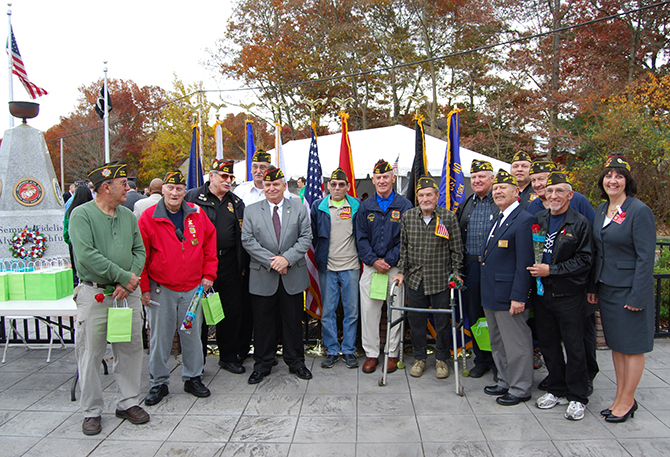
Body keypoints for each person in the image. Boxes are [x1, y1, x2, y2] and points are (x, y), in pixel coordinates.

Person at [68, 162, 149, 435]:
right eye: (123, 183)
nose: (128, 188)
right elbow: (86, 255)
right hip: (96, 294)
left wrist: (129, 280)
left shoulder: (128, 215)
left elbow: (139, 250)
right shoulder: (81, 215)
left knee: (129, 349)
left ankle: (127, 402)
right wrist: (121, 276)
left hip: (127, 294)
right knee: (90, 353)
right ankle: (91, 410)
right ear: (106, 187)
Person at [138, 171, 218, 406]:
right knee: (160, 337)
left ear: (185, 191)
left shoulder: (197, 213)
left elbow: (209, 244)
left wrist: (208, 274)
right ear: (162, 189)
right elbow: (141, 253)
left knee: (192, 335)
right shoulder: (148, 217)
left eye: (179, 189)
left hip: (192, 287)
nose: (175, 193)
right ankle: (159, 382)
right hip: (162, 288)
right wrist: (144, 287)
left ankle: (193, 377)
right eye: (170, 188)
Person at [587, 154, 655, 423]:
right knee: (617, 346)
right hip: (607, 288)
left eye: (619, 176)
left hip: (630, 290)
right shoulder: (602, 210)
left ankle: (628, 401)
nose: (612, 180)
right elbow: (597, 252)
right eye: (608, 175)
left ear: (627, 181)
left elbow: (645, 257)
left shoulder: (639, 211)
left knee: (632, 347)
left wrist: (638, 294)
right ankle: (620, 396)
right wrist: (593, 284)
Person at [527, 160, 599, 394]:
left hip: (568, 294)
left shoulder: (580, 223)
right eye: (550, 191)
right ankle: (556, 388)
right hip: (542, 293)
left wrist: (552, 270)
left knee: (574, 346)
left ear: (570, 195)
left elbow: (585, 260)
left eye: (559, 191)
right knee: (549, 344)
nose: (554, 195)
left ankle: (578, 394)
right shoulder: (540, 219)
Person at [241, 166, 313, 384]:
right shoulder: (252, 210)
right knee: (263, 323)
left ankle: (296, 362)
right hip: (264, 274)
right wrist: (273, 262)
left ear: (284, 186)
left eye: (276, 184)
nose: (271, 188)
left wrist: (286, 259)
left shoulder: (298, 208)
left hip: (292, 274)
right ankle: (262, 364)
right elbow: (247, 240)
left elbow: (306, 237)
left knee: (292, 321)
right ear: (263, 187)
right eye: (268, 184)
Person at [393, 176, 463, 379]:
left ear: (437, 196)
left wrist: (456, 273)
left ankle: (442, 359)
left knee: (442, 321)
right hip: (415, 279)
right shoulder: (408, 217)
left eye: (429, 195)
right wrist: (401, 270)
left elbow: (457, 250)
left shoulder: (448, 218)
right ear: (417, 197)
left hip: (441, 278)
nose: (425, 199)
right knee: (416, 321)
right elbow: (403, 248)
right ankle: (419, 358)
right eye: (421, 195)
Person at [185, 160, 248, 373]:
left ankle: (228, 357)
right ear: (211, 176)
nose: (228, 181)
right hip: (199, 263)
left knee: (230, 312)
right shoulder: (192, 198)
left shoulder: (236, 202)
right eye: (224, 176)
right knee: (200, 314)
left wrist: (242, 265)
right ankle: (197, 362)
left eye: (231, 177)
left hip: (229, 263)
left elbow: (242, 236)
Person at [480, 169, 536, 406]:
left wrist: (519, 297)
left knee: (517, 343)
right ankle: (504, 379)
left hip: (509, 296)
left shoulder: (523, 220)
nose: (498, 191)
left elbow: (525, 263)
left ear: (517, 193)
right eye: (496, 188)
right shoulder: (499, 217)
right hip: (492, 294)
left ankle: (521, 387)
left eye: (504, 187)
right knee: (498, 342)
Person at [356, 159, 413, 374]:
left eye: (386, 176)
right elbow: (360, 238)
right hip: (372, 268)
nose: (382, 180)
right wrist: (373, 260)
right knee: (369, 312)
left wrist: (388, 260)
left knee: (395, 312)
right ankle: (371, 353)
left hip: (394, 269)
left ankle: (391, 352)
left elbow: (406, 238)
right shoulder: (365, 207)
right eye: (378, 177)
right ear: (373, 179)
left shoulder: (404, 205)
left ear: (393, 178)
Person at [311, 168, 361, 369]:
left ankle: (348, 349)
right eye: (334, 184)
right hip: (328, 266)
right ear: (328, 186)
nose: (337, 187)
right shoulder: (319, 206)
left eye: (341, 184)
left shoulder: (357, 206)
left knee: (351, 310)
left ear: (348, 187)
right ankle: (331, 349)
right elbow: (313, 234)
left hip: (351, 265)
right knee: (328, 310)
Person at [456, 160, 499, 379]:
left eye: (482, 176)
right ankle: (482, 359)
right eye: (474, 177)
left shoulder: (500, 202)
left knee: (496, 315)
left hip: (495, 269)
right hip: (471, 267)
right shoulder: (465, 205)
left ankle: (499, 362)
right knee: (475, 315)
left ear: (492, 178)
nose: (477, 180)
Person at [64, 186, 93, 286]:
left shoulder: (71, 208)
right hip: (91, 242)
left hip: (74, 242)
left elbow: (66, 228)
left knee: (76, 267)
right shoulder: (93, 209)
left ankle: (76, 284)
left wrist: (70, 241)